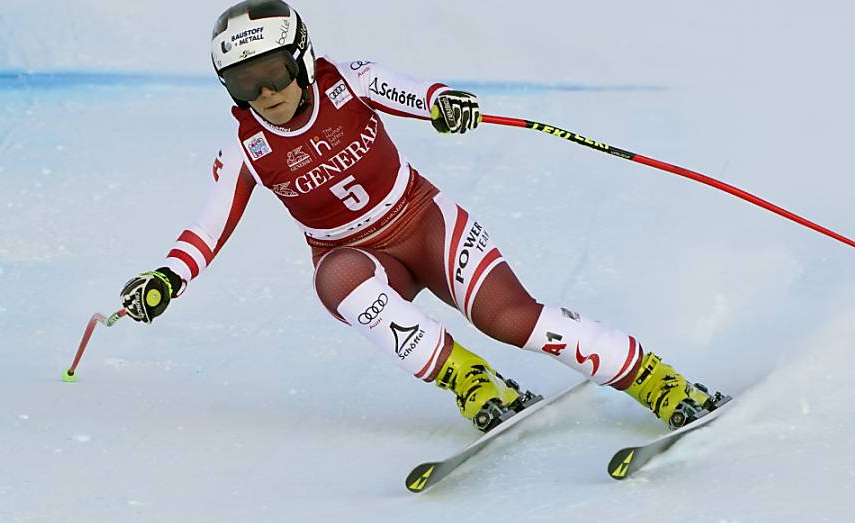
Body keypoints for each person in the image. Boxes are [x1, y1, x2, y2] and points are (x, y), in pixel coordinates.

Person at [119, 0, 726, 432]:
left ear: (301, 59)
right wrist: (166, 279)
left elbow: (413, 91)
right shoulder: (245, 146)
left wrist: (444, 104)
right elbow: (208, 225)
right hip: (352, 254)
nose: (265, 96)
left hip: (423, 224)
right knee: (336, 283)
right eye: (243, 85)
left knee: (511, 319)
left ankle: (656, 379)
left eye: (273, 74)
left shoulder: (349, 84)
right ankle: (472, 381)